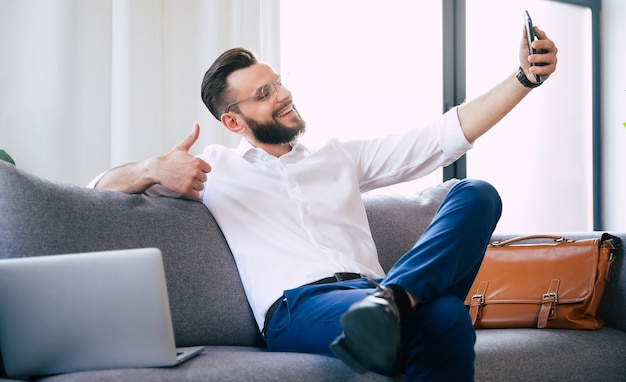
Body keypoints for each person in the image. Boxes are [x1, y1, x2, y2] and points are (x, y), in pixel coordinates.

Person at [90, 24, 557, 381]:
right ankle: (392, 306)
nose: (284, 95)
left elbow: (440, 138)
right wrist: (153, 169)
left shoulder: (339, 158)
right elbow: (95, 193)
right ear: (233, 123)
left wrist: (523, 79)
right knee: (446, 316)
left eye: (278, 83)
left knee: (475, 193)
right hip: (299, 308)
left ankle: (395, 299)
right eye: (264, 93)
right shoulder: (213, 169)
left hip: (374, 294)